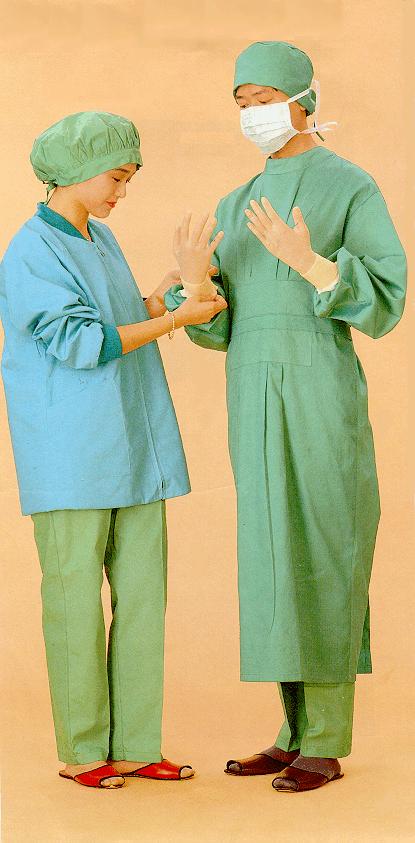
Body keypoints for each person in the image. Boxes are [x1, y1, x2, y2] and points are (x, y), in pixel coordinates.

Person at [166, 41, 407, 793]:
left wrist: (311, 263)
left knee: (324, 545)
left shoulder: (350, 185)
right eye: (241, 102)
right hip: (250, 391)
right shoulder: (238, 201)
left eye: (264, 99)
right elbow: (217, 326)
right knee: (274, 553)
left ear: (304, 98)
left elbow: (387, 300)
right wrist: (192, 283)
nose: (252, 113)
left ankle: (325, 740)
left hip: (318, 386)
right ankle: (291, 732)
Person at [0, 110, 227, 789]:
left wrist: (167, 291)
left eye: (128, 180)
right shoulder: (30, 251)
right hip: (72, 452)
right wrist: (176, 320)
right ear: (74, 170)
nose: (122, 193)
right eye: (116, 178)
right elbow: (81, 343)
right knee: (75, 600)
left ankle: (134, 744)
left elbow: (119, 319)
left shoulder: (98, 238)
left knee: (143, 596)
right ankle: (82, 751)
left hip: (134, 444)